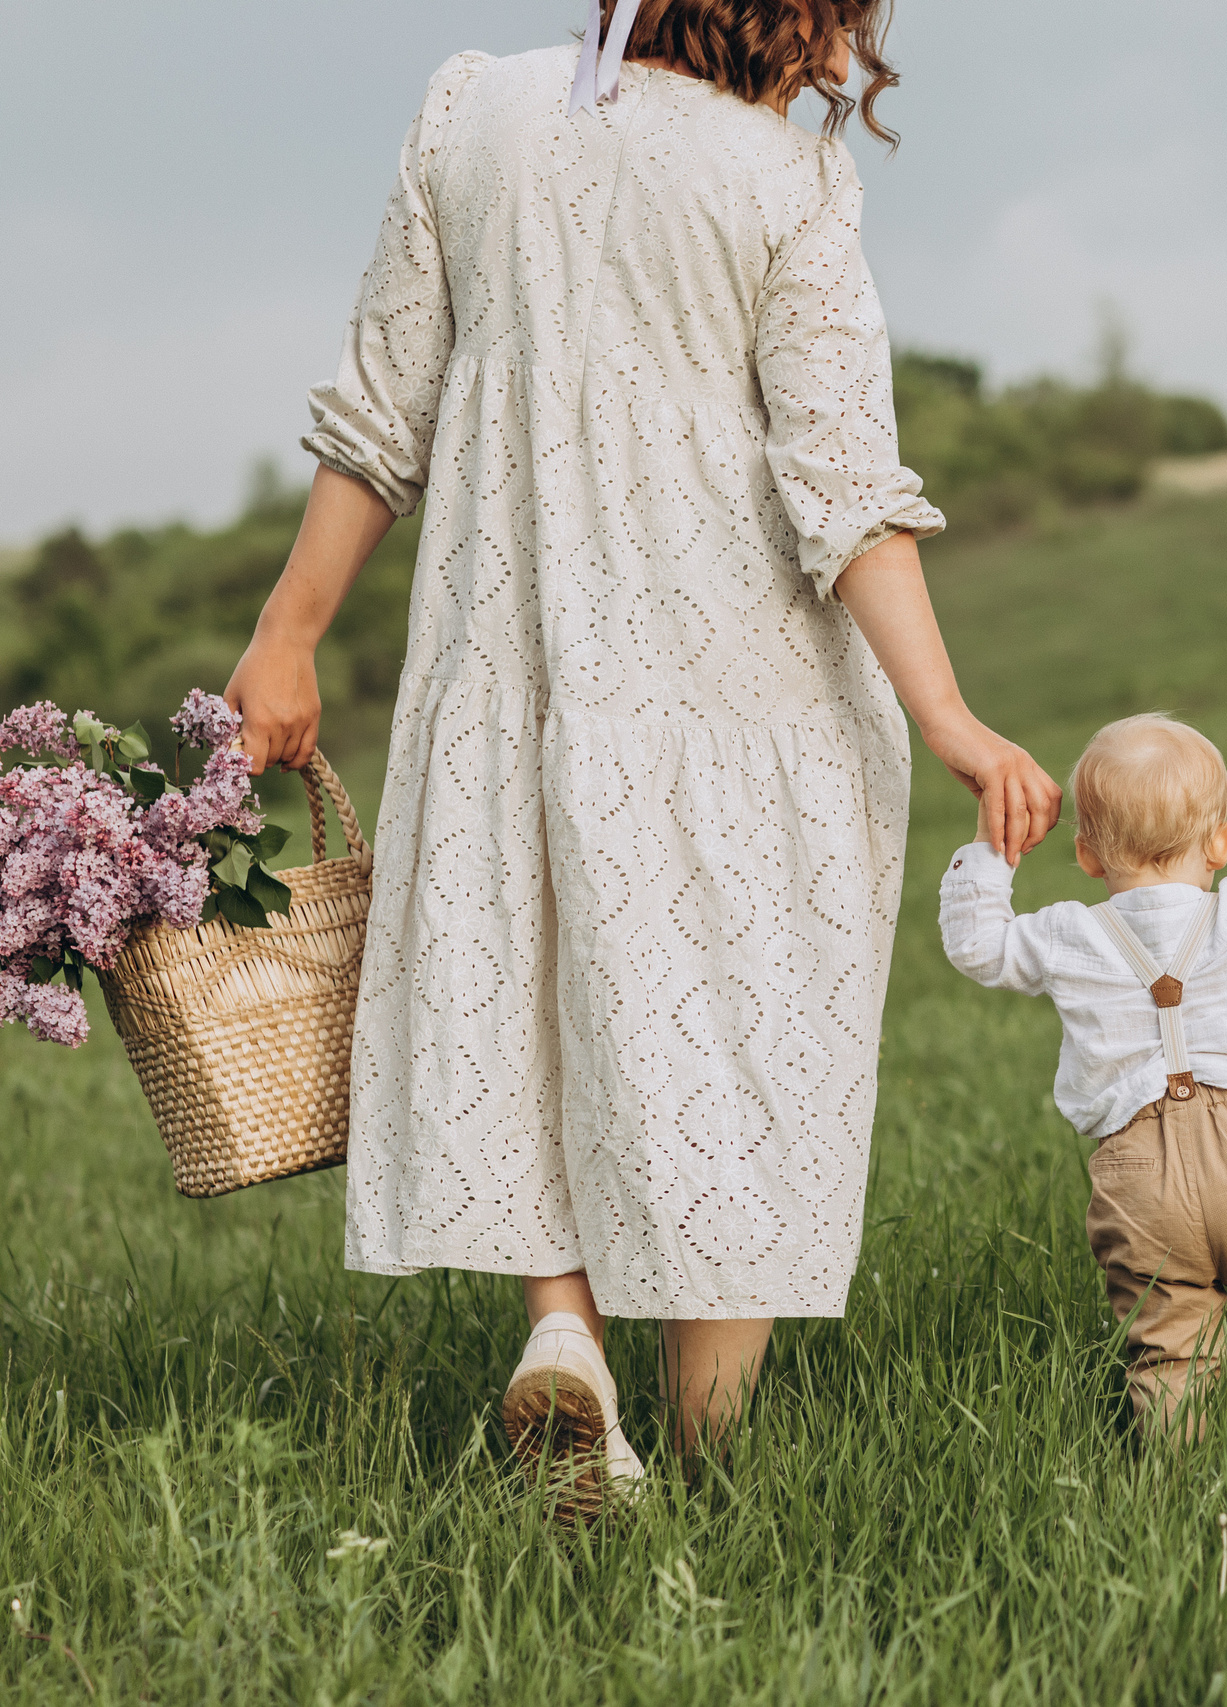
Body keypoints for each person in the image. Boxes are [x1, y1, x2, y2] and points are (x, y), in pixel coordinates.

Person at [224, 0, 1060, 1512]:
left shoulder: (471, 111)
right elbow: (845, 487)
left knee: (529, 976)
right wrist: (949, 715)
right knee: (728, 1018)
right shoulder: (786, 183)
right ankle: (710, 1456)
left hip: (506, 660)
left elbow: (379, 416)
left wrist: (287, 635)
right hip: (731, 685)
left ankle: (564, 1329)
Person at [939, 715, 1227, 1488]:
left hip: (1134, 1173)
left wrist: (991, 845)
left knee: (1172, 1341)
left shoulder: (1065, 935)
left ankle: (1187, 1481)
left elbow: (977, 945)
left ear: (1086, 855)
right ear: (1221, 842)